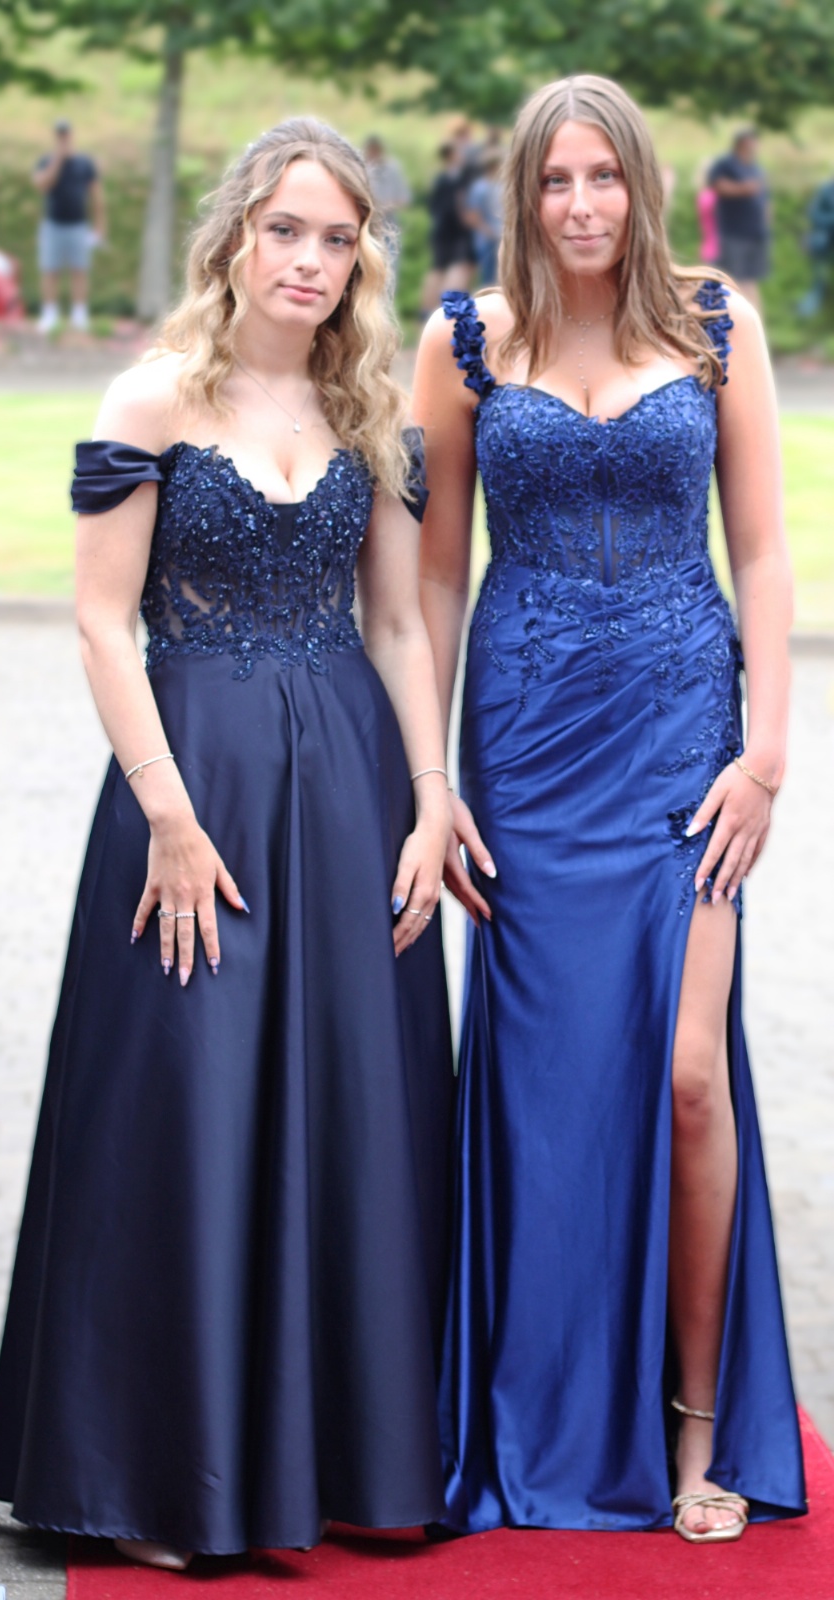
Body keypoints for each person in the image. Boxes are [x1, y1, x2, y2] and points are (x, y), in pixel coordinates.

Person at [0, 118, 455, 1571]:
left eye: (337, 238)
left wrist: (431, 797)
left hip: (351, 792)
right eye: (286, 229)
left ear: (361, 259)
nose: (309, 259)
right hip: (191, 790)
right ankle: (154, 1479)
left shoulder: (371, 411)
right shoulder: (151, 397)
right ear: (235, 235)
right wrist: (170, 816)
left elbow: (398, 622)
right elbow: (98, 622)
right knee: (183, 1099)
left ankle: (335, 1463)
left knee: (350, 1109)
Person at [414, 74, 806, 1544]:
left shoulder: (714, 325)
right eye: (553, 180)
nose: (579, 205)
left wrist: (766, 753)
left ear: (640, 183)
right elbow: (430, 581)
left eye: (602, 176)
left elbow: (762, 553)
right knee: (542, 1090)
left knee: (689, 1074)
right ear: (520, 194)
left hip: (682, 742)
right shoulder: (464, 339)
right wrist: (431, 780)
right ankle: (534, 1410)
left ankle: (695, 1422)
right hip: (524, 746)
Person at [33, 119, 105, 333]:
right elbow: (43, 184)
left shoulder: (84, 163)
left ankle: (79, 314)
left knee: (79, 269)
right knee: (50, 269)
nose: (63, 139)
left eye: (66, 135)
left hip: (78, 225)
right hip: (53, 225)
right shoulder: (46, 161)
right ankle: (49, 313)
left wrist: (99, 226)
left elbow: (96, 195)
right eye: (60, 135)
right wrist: (58, 159)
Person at [708, 128, 770, 313]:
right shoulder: (726, 164)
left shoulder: (755, 168)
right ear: (742, 143)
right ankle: (735, 317)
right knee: (733, 278)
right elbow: (717, 186)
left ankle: (755, 317)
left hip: (756, 233)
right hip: (734, 232)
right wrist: (743, 189)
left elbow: (765, 199)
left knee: (751, 279)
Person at [420, 142, 476, 317]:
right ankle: (448, 313)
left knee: (438, 269)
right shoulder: (458, 179)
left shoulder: (440, 179)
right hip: (456, 231)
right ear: (452, 155)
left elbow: (433, 206)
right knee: (457, 269)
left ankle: (428, 313)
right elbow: (459, 207)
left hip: (441, 230)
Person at [363, 133, 411, 275]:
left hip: (388, 227)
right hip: (366, 228)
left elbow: (404, 199)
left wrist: (384, 207)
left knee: (390, 271)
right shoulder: (362, 168)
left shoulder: (393, 169)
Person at [463, 148, 504, 287]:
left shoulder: (501, 186)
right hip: (487, 240)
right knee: (488, 280)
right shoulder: (480, 188)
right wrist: (489, 232)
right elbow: (472, 215)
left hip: (501, 237)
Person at [797, 173, 834, 318]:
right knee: (817, 241)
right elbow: (814, 214)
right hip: (826, 239)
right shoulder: (826, 190)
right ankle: (815, 296)